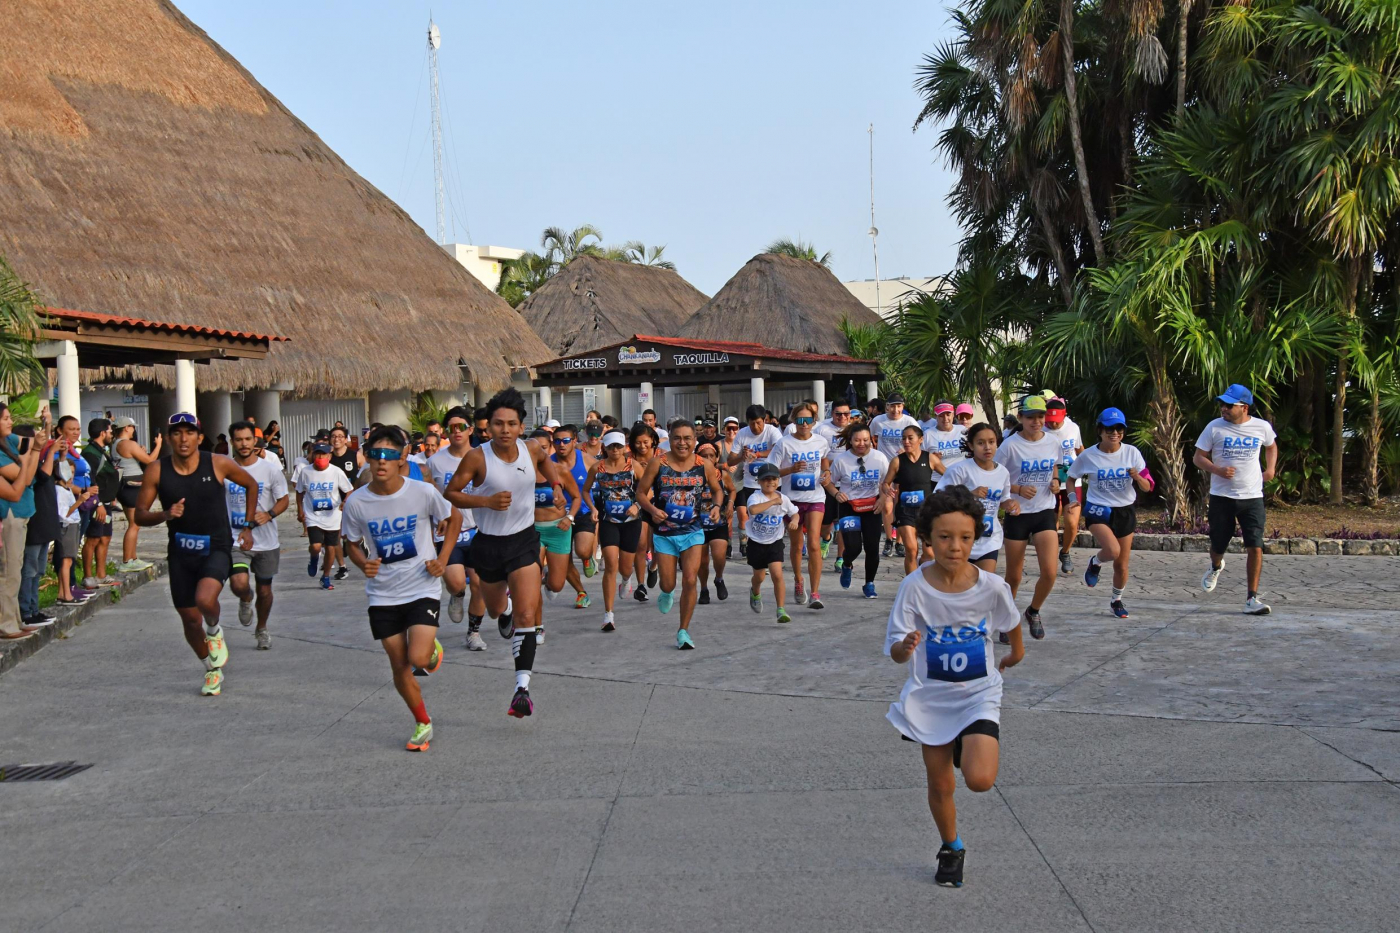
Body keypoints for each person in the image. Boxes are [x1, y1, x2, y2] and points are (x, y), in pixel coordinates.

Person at [884, 485, 1024, 888]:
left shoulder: (991, 586)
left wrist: (1014, 655)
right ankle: (951, 847)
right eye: (944, 537)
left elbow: (1012, 625)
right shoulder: (914, 586)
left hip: (978, 693)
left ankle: (969, 737)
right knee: (940, 783)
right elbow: (895, 649)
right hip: (932, 697)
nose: (955, 546)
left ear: (976, 536)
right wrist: (904, 646)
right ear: (927, 538)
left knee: (980, 780)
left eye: (965, 537)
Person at [446, 387, 573, 717]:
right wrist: (485, 501)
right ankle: (503, 613)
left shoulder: (531, 449)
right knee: (495, 609)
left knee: (527, 616)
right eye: (498, 424)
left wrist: (556, 487)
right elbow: (452, 493)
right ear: (488, 426)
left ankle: (522, 689)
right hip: (488, 544)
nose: (504, 430)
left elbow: (548, 463)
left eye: (511, 424)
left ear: (520, 426)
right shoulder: (477, 457)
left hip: (523, 541)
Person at [340, 425, 458, 751]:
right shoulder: (357, 502)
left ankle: (431, 650)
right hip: (382, 593)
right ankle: (422, 722)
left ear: (401, 458)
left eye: (389, 455)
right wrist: (363, 563)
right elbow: (350, 543)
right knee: (399, 665)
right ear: (366, 456)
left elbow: (454, 519)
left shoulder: (421, 492)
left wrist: (443, 558)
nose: (382, 462)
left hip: (421, 586)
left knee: (418, 658)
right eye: (375, 454)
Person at [133, 413, 257, 696]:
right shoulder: (156, 470)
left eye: (190, 433)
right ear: (168, 438)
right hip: (180, 552)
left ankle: (214, 630)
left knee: (204, 600)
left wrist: (248, 526)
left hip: (215, 546)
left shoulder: (217, 463)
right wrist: (165, 514)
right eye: (177, 433)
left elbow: (250, 484)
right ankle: (211, 670)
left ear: (200, 437)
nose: (183, 438)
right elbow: (139, 515)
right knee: (189, 620)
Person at [637, 419, 723, 649]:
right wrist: (653, 510)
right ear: (670, 440)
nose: (682, 443)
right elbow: (641, 494)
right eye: (677, 438)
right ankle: (666, 592)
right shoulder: (658, 463)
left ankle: (683, 630)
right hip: (665, 533)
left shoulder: (704, 464)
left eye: (687, 438)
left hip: (693, 531)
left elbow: (717, 490)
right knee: (667, 584)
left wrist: (715, 507)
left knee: (689, 579)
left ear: (695, 441)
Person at [1193, 384, 1278, 614]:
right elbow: (1198, 458)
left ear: (1244, 407)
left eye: (1229, 405)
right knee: (1218, 544)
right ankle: (1215, 565)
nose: (1223, 409)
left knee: (1255, 545)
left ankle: (1251, 599)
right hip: (1222, 497)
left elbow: (1271, 446)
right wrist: (1217, 470)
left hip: (1252, 497)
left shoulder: (1261, 427)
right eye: (1222, 404)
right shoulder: (1214, 427)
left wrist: (1270, 470)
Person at [1070, 408, 1152, 619]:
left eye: (1118, 428)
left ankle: (1116, 600)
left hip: (1124, 510)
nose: (1114, 433)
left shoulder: (1132, 453)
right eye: (1109, 428)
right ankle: (1095, 562)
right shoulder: (1088, 455)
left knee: (1121, 564)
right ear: (1100, 430)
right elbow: (1071, 478)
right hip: (1099, 509)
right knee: (1113, 550)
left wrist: (1137, 477)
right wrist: (1072, 499)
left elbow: (1147, 486)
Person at [994, 396, 1061, 640]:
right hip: (1018, 513)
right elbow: (995, 477)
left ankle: (1033, 611)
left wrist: (1055, 482)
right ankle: (1005, 619)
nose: (1036, 421)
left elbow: (1054, 467)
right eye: (1031, 417)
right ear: (1020, 418)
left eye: (1040, 416)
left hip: (1044, 511)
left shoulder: (1053, 442)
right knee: (1014, 575)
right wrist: (1018, 490)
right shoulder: (1009, 446)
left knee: (1050, 572)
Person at [225, 421, 290, 649]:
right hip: (236, 538)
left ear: (255, 441)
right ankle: (244, 599)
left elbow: (284, 500)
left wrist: (269, 514)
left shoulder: (270, 470)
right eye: (239, 440)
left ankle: (261, 628)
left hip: (266, 540)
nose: (243, 444)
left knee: (265, 590)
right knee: (238, 583)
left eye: (247, 439)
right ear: (232, 442)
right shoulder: (225, 469)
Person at [427, 407, 487, 650]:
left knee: (479, 583)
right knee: (456, 583)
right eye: (451, 428)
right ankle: (457, 595)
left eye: (461, 426)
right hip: (448, 532)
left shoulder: (483, 456)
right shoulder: (434, 462)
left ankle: (474, 633)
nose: (456, 432)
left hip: (478, 531)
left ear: (470, 430)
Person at [766, 401, 830, 609]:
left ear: (814, 421)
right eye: (800, 420)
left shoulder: (820, 441)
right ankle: (798, 580)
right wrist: (791, 469)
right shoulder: (784, 444)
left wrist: (826, 472)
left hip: (815, 498)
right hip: (792, 501)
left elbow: (824, 459)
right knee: (797, 545)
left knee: (813, 543)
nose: (804, 424)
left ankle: (815, 592)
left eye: (808, 420)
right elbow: (771, 471)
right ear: (794, 421)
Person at [936, 423, 1017, 576]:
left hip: (989, 540)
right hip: (961, 540)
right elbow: (938, 498)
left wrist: (1010, 505)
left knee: (984, 585)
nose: (987, 447)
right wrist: (969, 494)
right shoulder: (959, 470)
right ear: (971, 446)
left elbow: (1004, 499)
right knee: (961, 588)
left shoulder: (1003, 472)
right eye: (981, 443)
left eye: (991, 442)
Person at [585, 430, 645, 631]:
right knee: (611, 563)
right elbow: (585, 490)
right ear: (605, 448)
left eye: (618, 446)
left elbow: (648, 489)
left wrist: (637, 505)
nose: (615, 450)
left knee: (625, 567)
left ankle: (627, 579)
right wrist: (593, 508)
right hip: (608, 520)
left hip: (631, 521)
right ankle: (608, 614)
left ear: (625, 447)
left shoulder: (633, 466)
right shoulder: (597, 468)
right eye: (611, 446)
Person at [822, 423, 890, 598]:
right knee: (853, 548)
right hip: (849, 506)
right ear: (850, 441)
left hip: (872, 507)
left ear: (872, 440)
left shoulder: (880, 458)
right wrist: (836, 494)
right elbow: (828, 482)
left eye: (866, 440)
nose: (862, 444)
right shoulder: (841, 460)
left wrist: (883, 499)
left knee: (872, 547)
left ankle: (869, 583)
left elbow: (885, 483)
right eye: (857, 440)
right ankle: (847, 564)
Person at [532, 430, 585, 629]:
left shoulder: (559, 471)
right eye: (533, 449)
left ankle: (549, 577)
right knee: (533, 583)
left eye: (543, 448)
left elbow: (577, 497)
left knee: (556, 584)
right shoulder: (522, 472)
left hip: (558, 530)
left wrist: (570, 517)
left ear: (550, 448)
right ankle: (538, 627)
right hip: (533, 532)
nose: (538, 453)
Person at [0, 403, 43, 639]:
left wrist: (41, 435)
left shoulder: (7, 441)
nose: (10, 422)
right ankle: (6, 625)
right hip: (9, 513)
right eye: (5, 418)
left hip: (18, 512)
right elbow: (22, 480)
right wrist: (28, 457)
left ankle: (14, 619)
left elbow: (31, 442)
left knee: (14, 568)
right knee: (9, 571)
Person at [741, 461, 800, 622]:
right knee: (759, 576)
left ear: (778, 481)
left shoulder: (784, 499)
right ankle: (755, 591)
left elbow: (795, 512)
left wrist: (794, 520)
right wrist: (773, 502)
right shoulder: (756, 497)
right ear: (759, 481)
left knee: (777, 574)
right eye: (766, 480)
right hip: (756, 542)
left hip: (775, 541)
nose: (770, 483)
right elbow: (752, 510)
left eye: (774, 479)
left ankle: (780, 609)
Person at [884, 424, 942, 576]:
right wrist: (887, 489)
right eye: (903, 439)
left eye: (910, 438)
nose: (906, 442)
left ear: (920, 440)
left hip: (926, 512)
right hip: (905, 511)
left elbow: (949, 475)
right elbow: (885, 483)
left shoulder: (930, 458)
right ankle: (911, 586)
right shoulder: (897, 461)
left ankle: (923, 571)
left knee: (930, 553)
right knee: (911, 549)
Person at [550, 424, 597, 609]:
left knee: (583, 550)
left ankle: (587, 558)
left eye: (566, 440)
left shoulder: (586, 460)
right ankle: (581, 593)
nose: (561, 444)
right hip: (558, 516)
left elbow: (606, 476)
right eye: (557, 441)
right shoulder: (548, 463)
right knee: (565, 561)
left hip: (583, 512)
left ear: (574, 441)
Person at [295, 443, 354, 590]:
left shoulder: (336, 472)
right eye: (317, 454)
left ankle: (325, 577)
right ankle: (314, 558)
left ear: (329, 456)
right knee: (315, 546)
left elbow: (349, 490)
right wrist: (300, 509)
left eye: (324, 454)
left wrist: (345, 501)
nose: (320, 457)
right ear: (313, 455)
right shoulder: (305, 472)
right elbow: (299, 491)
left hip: (332, 515)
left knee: (331, 547)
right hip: (313, 514)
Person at [869, 394, 920, 558]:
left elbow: (920, 441)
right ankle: (889, 540)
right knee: (888, 505)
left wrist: (907, 450)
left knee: (901, 505)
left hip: (905, 467)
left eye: (899, 406)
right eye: (893, 406)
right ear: (887, 407)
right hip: (885, 469)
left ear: (903, 406)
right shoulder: (878, 421)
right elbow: (870, 438)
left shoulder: (910, 421)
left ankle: (899, 541)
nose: (896, 409)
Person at [728, 404, 784, 547]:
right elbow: (730, 460)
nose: (756, 427)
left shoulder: (772, 431)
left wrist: (758, 454)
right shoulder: (742, 433)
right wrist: (742, 456)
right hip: (751, 483)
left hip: (772, 482)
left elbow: (780, 451)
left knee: (773, 515)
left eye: (758, 423)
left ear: (764, 420)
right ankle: (755, 544)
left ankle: (774, 543)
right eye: (752, 423)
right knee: (754, 517)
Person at [1042, 395, 1084, 576]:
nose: (1052, 425)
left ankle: (1065, 552)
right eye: (1049, 421)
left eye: (1056, 421)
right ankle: (1050, 555)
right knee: (1051, 523)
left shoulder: (1073, 428)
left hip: (1072, 480)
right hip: (1049, 482)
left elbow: (1080, 450)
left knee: (1072, 522)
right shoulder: (1040, 430)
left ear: (1064, 416)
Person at [113, 416, 161, 572]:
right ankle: (127, 560)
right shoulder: (128, 443)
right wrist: (158, 445)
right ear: (126, 428)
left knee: (134, 524)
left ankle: (132, 558)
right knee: (134, 525)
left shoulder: (115, 444)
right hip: (132, 486)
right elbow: (150, 461)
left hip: (124, 486)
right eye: (132, 427)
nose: (134, 430)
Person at [80, 418, 120, 590]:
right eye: (110, 431)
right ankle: (88, 576)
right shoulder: (90, 453)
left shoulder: (102, 450)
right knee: (94, 538)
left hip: (106, 502)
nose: (112, 435)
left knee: (105, 537)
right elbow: (91, 480)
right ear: (103, 433)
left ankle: (101, 574)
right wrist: (98, 504)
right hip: (97, 504)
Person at [695, 439, 734, 605]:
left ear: (717, 458)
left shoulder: (722, 475)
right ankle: (703, 589)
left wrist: (730, 503)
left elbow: (732, 489)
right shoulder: (691, 475)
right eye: (704, 456)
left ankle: (719, 578)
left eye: (711, 456)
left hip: (718, 521)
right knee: (702, 561)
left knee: (719, 556)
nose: (708, 459)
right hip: (697, 523)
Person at [53, 461, 96, 607]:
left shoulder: (66, 489)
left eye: (72, 472)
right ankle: (67, 594)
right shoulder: (59, 490)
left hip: (72, 525)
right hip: (67, 526)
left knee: (68, 560)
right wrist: (80, 501)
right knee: (66, 561)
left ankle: (62, 593)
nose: (71, 476)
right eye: (68, 472)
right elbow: (64, 513)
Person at [817, 401, 853, 566]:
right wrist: (830, 466)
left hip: (849, 482)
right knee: (826, 522)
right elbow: (818, 455)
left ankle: (841, 557)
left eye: (846, 414)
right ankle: (826, 538)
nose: (842, 417)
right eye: (838, 413)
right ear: (832, 414)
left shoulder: (854, 429)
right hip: (828, 482)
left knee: (845, 521)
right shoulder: (822, 429)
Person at [627, 423, 660, 600]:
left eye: (645, 442)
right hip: (636, 505)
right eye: (638, 442)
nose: (642, 446)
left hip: (659, 504)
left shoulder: (662, 457)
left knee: (656, 545)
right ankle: (640, 585)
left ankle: (653, 566)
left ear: (653, 441)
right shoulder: (628, 459)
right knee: (640, 544)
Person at [921, 401, 967, 472]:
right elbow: (921, 463)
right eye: (941, 416)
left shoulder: (962, 430)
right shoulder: (927, 434)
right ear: (936, 416)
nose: (945, 419)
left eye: (948, 415)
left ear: (953, 414)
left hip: (962, 478)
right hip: (937, 480)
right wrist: (930, 460)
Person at [329, 425, 363, 499]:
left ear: (346, 440)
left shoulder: (357, 456)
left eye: (340, 436)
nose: (336, 439)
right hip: (333, 499)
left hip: (353, 497)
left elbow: (366, 474)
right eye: (333, 436)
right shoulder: (327, 457)